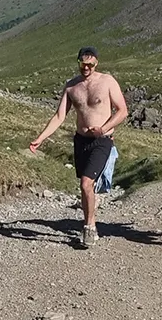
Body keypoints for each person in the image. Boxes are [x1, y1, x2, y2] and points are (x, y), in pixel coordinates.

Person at [29, 47, 128, 247]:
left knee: (85, 183)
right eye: (83, 64)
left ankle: (89, 227)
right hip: (81, 140)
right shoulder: (71, 86)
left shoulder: (107, 81)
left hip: (102, 140)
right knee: (85, 187)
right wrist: (41, 138)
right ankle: (89, 219)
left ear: (96, 64)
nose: (86, 68)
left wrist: (104, 128)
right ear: (78, 62)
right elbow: (59, 116)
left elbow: (122, 110)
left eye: (90, 64)